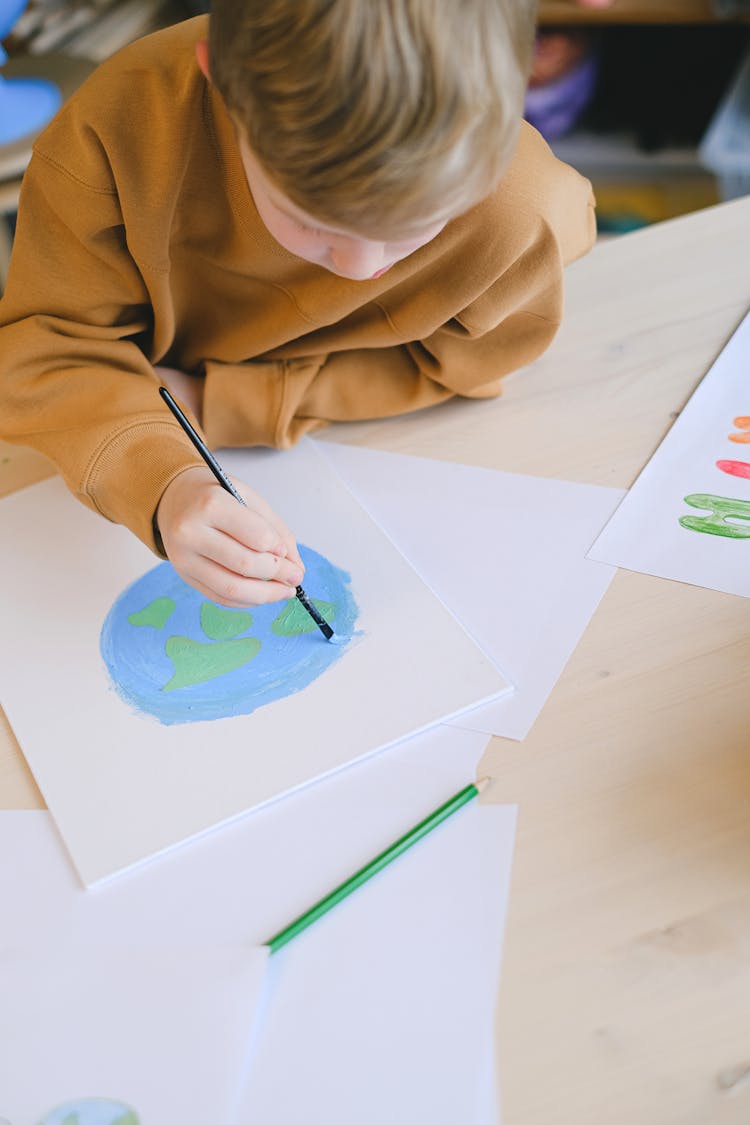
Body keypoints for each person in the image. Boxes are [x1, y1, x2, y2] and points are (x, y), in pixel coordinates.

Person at [0, 1, 596, 609]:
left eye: (421, 224)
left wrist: (231, 401)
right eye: (314, 223)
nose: (362, 269)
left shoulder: (526, 213)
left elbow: (463, 363)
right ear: (225, 85)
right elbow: (44, 350)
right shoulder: (117, 126)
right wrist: (165, 481)